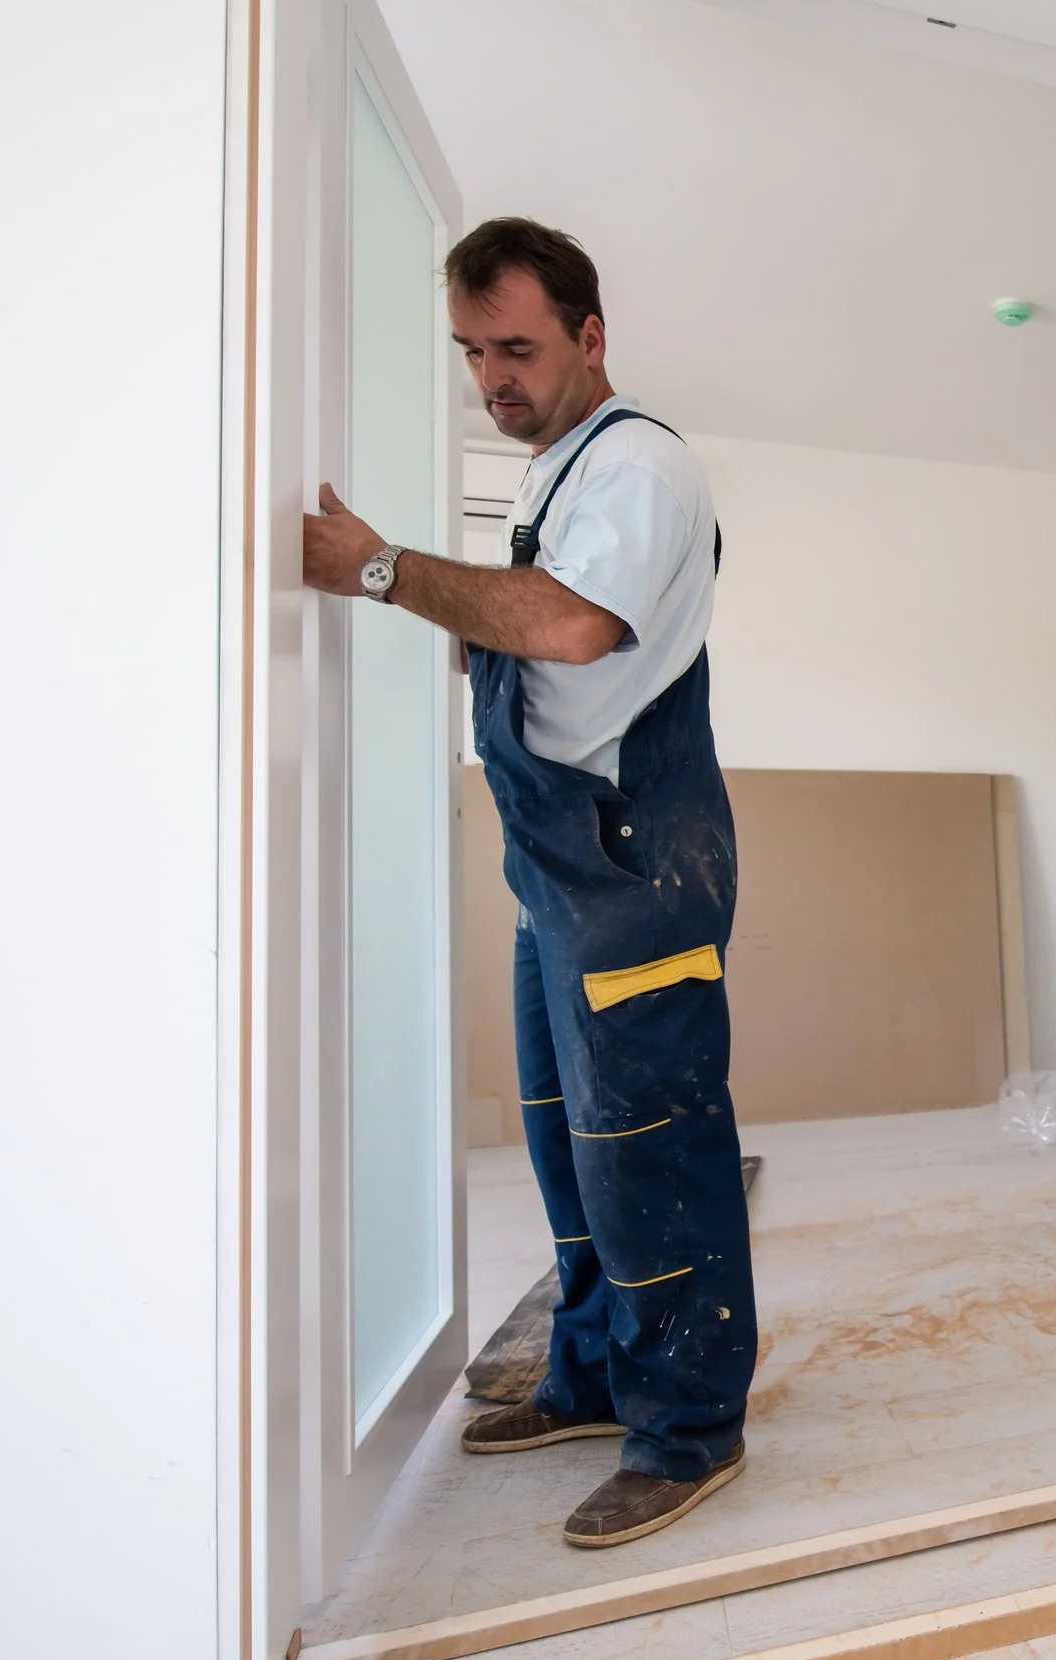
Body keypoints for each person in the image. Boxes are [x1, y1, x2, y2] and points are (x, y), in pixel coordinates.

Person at [303, 217, 754, 1550]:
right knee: (569, 1144)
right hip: (568, 866)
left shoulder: (640, 465)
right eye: (471, 351)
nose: (492, 375)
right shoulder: (560, 475)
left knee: (649, 1155)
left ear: (590, 336)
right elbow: (546, 650)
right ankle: (597, 1377)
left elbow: (572, 624)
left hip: (637, 868)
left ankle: (688, 1428)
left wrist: (381, 572)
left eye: (517, 346)